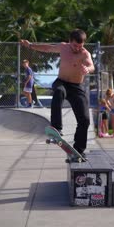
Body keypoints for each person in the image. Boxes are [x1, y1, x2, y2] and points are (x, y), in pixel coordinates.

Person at [20, 29, 95, 157]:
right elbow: (47, 48)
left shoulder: (85, 53)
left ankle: (78, 151)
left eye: (80, 46)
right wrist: (31, 45)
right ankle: (56, 128)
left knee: (85, 120)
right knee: (59, 92)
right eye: (75, 45)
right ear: (70, 41)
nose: (77, 48)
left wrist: (87, 69)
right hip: (62, 82)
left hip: (76, 87)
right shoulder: (63, 47)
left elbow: (91, 65)